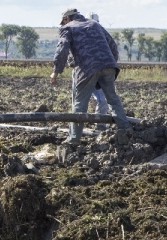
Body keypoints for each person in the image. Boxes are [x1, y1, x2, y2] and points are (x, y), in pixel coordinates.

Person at [50, 8, 129, 144]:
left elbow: (62, 50)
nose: (63, 24)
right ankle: (127, 131)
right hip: (108, 65)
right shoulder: (95, 24)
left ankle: (73, 140)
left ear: (67, 19)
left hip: (88, 68)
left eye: (63, 22)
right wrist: (110, 62)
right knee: (113, 99)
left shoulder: (68, 28)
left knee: (80, 104)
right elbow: (113, 45)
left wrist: (56, 72)